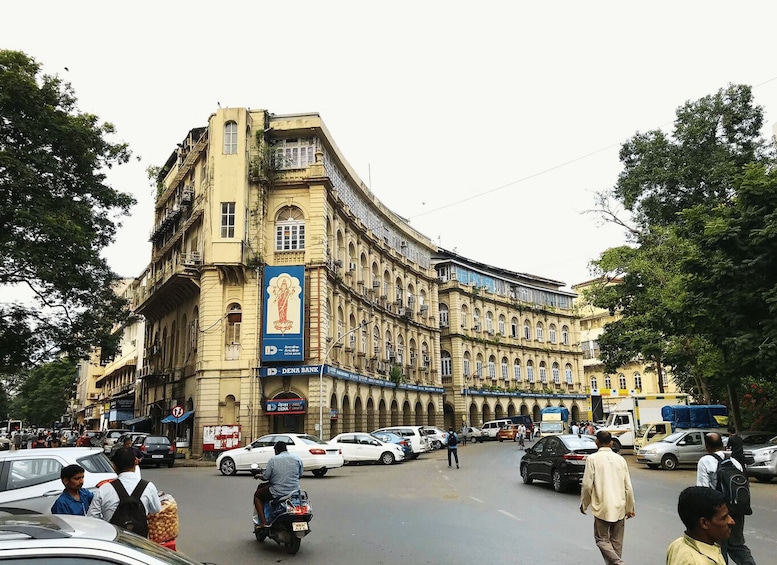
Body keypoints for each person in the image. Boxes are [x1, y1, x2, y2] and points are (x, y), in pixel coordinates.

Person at [696, 432, 755, 565]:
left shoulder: (705, 461)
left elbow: (702, 489)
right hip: (737, 508)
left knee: (718, 547)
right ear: (722, 445)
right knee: (737, 545)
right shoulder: (734, 461)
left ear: (707, 446)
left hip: (718, 511)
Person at [580, 430, 636, 565]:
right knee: (617, 543)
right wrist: (630, 507)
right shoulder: (620, 459)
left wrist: (584, 503)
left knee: (601, 540)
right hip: (620, 506)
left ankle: (619, 562)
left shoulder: (592, 459)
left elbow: (587, 485)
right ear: (611, 443)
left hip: (602, 506)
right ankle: (617, 561)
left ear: (596, 442)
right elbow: (628, 486)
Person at [88, 447, 161, 522]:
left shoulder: (104, 489)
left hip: (113, 532)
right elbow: (156, 509)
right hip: (139, 533)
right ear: (136, 461)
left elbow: (92, 517)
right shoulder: (148, 487)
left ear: (114, 466)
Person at [667, 486, 734, 565]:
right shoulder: (698, 562)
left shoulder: (677, 545)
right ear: (704, 523)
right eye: (724, 518)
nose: (731, 521)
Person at [254, 441, 304, 528]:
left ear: (276, 450)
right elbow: (300, 475)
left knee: (257, 495)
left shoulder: (273, 460)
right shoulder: (297, 458)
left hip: (277, 492)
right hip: (294, 491)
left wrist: (258, 476)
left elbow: (266, 477)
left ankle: (263, 522)